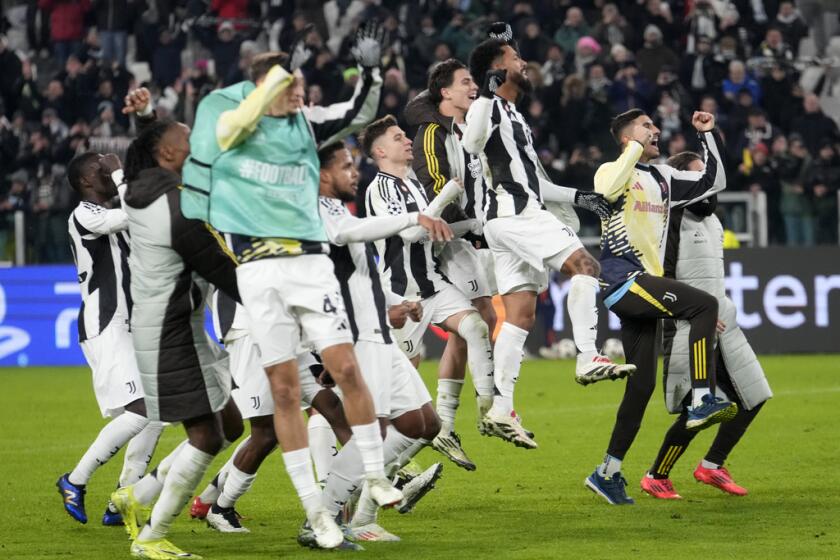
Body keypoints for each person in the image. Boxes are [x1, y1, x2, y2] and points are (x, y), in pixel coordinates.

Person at [183, 25, 400, 549]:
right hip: (257, 271)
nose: (302, 96)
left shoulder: (305, 126)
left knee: (344, 369)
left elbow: (357, 113)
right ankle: (314, 510)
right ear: (264, 88)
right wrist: (275, 79)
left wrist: (370, 72)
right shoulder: (230, 131)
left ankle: (373, 473)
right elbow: (233, 124)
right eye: (292, 87)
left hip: (308, 264)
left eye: (301, 87)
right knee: (283, 391)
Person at [462, 38, 635, 448]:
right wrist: (486, 92)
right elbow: (470, 143)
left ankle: (502, 406)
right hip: (516, 215)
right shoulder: (486, 108)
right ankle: (588, 355)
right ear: (497, 69)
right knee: (586, 267)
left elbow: (534, 182)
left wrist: (581, 198)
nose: (525, 64)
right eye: (516, 58)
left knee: (520, 315)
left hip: (504, 222)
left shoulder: (513, 114)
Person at [584, 107, 737, 506]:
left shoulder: (664, 178)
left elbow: (713, 180)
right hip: (621, 280)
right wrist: (633, 148)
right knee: (704, 306)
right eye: (646, 126)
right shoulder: (610, 169)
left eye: (654, 126)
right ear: (626, 137)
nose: (656, 131)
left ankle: (608, 472)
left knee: (642, 386)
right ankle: (704, 396)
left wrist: (707, 134)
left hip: (645, 286)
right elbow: (607, 190)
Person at [114, 114, 245, 559]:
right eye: (187, 138)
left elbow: (137, 162)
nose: (197, 143)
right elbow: (225, 267)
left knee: (229, 425)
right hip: (171, 333)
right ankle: (151, 537)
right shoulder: (177, 206)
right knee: (207, 437)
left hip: (179, 325)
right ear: (166, 154)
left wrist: (145, 119)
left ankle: (136, 496)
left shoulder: (140, 189)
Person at [317, 140, 449, 542]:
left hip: (378, 331)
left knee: (422, 422)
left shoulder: (341, 210)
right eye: (345, 167)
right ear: (323, 174)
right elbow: (342, 236)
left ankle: (360, 516)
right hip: (354, 334)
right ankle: (322, 519)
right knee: (371, 430)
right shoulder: (317, 211)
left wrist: (398, 301)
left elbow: (362, 274)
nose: (353, 173)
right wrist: (415, 215)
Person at [362, 115, 515, 459]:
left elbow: (431, 232)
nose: (407, 141)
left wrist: (475, 226)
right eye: (399, 137)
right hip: (400, 296)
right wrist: (446, 194)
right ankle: (386, 467)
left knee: (475, 325)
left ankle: (487, 408)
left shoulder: (414, 183)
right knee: (399, 391)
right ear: (381, 151)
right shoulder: (379, 189)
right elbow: (411, 232)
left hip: (434, 284)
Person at [640, 151, 772, 500]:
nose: (708, 187)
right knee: (700, 408)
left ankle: (712, 466)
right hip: (689, 323)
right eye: (700, 176)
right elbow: (662, 276)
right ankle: (657, 474)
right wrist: (691, 313)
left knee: (754, 396)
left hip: (722, 320)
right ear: (683, 181)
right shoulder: (669, 221)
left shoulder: (714, 220)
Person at [56, 150, 164, 527]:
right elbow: (133, 213)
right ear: (87, 181)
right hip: (105, 323)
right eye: (101, 169)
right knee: (141, 409)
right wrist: (122, 174)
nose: (109, 172)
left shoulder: (116, 213)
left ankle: (124, 498)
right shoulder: (85, 213)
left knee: (156, 414)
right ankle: (74, 480)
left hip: (133, 324)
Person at [404, 58, 497, 470]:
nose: (472, 87)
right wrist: (472, 223)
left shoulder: (466, 132)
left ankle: (445, 425)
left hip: (463, 238)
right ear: (445, 92)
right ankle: (488, 408)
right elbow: (437, 186)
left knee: (474, 325)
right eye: (465, 82)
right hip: (437, 246)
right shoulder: (431, 134)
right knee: (403, 363)